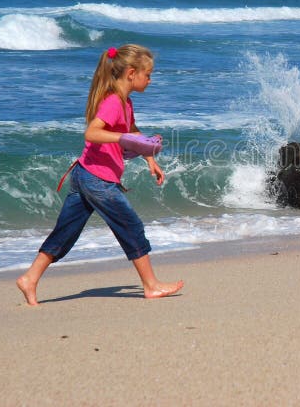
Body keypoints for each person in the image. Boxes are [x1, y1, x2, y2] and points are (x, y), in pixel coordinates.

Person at [17, 44, 184, 305]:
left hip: (85, 175)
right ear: (131, 73)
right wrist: (121, 138)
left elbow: (134, 131)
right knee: (130, 226)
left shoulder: (125, 103)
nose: (150, 80)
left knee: (66, 231)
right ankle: (151, 285)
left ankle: (30, 278)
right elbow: (92, 133)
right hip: (97, 180)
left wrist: (150, 158)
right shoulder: (112, 102)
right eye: (148, 74)